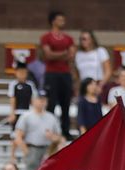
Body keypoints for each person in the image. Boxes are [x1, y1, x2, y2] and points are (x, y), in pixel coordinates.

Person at [40, 11, 75, 139]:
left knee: (66, 103)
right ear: (53, 21)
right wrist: (64, 53)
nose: (62, 22)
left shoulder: (68, 38)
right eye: (60, 19)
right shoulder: (46, 37)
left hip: (65, 74)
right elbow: (48, 55)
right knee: (51, 103)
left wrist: (58, 54)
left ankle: (65, 130)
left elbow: (71, 55)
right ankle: (50, 130)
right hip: (51, 74)